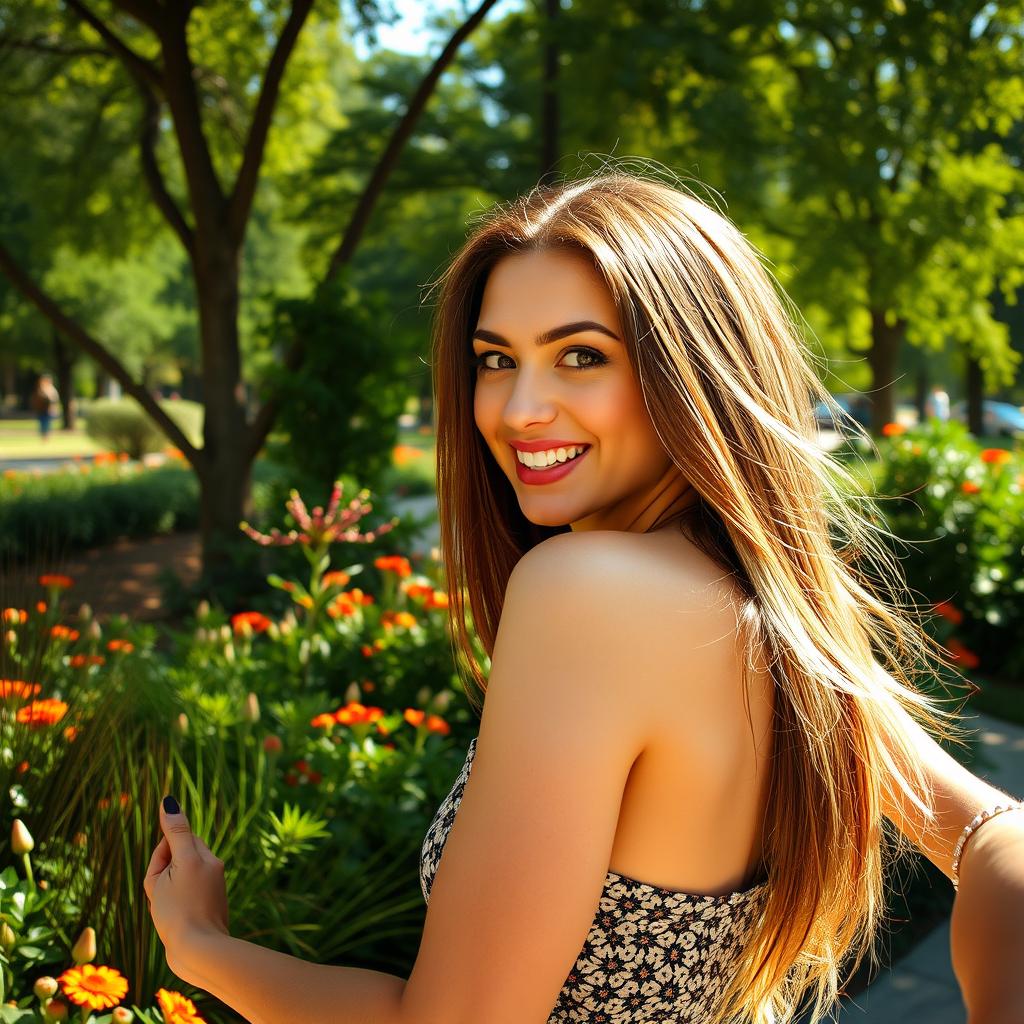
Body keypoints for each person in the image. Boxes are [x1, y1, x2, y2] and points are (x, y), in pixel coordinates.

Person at [143, 169, 1024, 1024]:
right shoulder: (764, 606)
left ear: (694, 373)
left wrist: (199, 947)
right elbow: (991, 828)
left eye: (580, 356)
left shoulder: (589, 593)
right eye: (497, 359)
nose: (520, 408)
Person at [29, 373, 59, 440]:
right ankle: (43, 436)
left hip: (48, 410)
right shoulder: (40, 389)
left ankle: (46, 436)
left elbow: (54, 400)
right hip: (41, 410)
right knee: (42, 423)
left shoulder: (51, 389)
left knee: (47, 423)